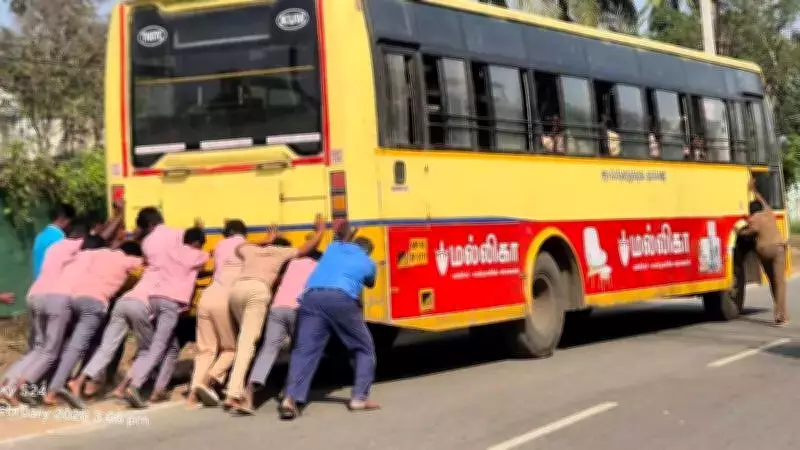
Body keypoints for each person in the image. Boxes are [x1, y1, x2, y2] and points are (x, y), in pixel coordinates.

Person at [69, 207, 183, 403]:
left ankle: (78, 381)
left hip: (123, 302)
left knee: (107, 347)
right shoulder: (176, 241)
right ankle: (129, 387)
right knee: (149, 350)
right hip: (141, 306)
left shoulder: (148, 249)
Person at [224, 215, 325, 415]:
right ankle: (289, 398)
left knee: (268, 350)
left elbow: (238, 249)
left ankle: (249, 396)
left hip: (277, 309)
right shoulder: (313, 265)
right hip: (297, 310)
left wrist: (264, 241)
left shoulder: (289, 265)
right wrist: (321, 231)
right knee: (299, 351)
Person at [278, 221, 379, 420]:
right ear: (368, 252)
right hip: (341, 299)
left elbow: (341, 238)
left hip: (310, 298)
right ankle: (359, 397)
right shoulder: (368, 262)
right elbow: (370, 283)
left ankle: (290, 398)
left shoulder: (333, 248)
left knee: (304, 350)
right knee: (363, 348)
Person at [0, 221, 91, 406]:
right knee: (50, 351)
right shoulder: (80, 249)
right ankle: (16, 389)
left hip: (34, 294)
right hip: (56, 298)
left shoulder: (54, 248)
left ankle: (5, 387)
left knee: (36, 349)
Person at [44, 240, 143, 408]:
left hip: (75, 299)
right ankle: (54, 391)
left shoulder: (100, 253)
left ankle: (61, 386)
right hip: (95, 303)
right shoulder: (128, 261)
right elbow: (147, 264)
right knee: (78, 348)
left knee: (70, 345)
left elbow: (79, 256)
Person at [121, 226, 209, 408]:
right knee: (158, 346)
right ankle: (135, 385)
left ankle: (159, 390)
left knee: (172, 347)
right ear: (196, 243)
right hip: (171, 302)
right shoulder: (198, 255)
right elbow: (205, 264)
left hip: (155, 298)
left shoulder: (171, 252)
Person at [189, 219, 248, 407]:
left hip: (207, 295)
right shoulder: (246, 247)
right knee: (232, 348)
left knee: (206, 349)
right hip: (225, 298)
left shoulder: (220, 245)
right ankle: (209, 380)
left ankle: (192, 395)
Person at [740, 177, 789, 326]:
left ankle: (782, 312)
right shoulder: (768, 212)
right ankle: (779, 313)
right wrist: (754, 190)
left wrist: (740, 232)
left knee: (772, 281)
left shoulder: (753, 220)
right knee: (781, 283)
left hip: (763, 252)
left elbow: (750, 231)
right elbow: (762, 201)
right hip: (778, 250)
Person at [32, 203, 76, 279]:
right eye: (70, 221)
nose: (70, 225)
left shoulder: (39, 236)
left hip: (38, 285)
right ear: (62, 218)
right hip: (52, 285)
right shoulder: (60, 238)